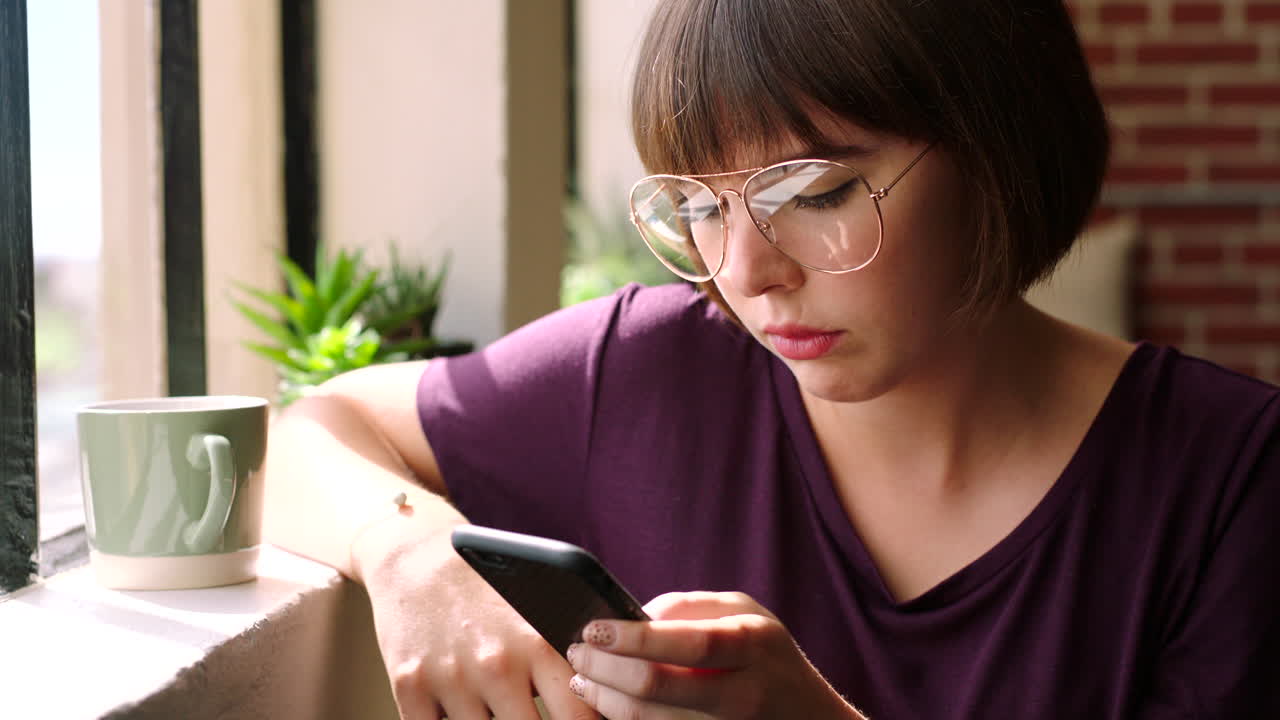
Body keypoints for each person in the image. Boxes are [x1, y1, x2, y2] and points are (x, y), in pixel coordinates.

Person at [264, 0, 1280, 718]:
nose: (746, 273)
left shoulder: (1231, 477)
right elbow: (310, 429)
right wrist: (411, 554)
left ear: (999, 148)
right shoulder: (646, 374)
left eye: (813, 193)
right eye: (698, 207)